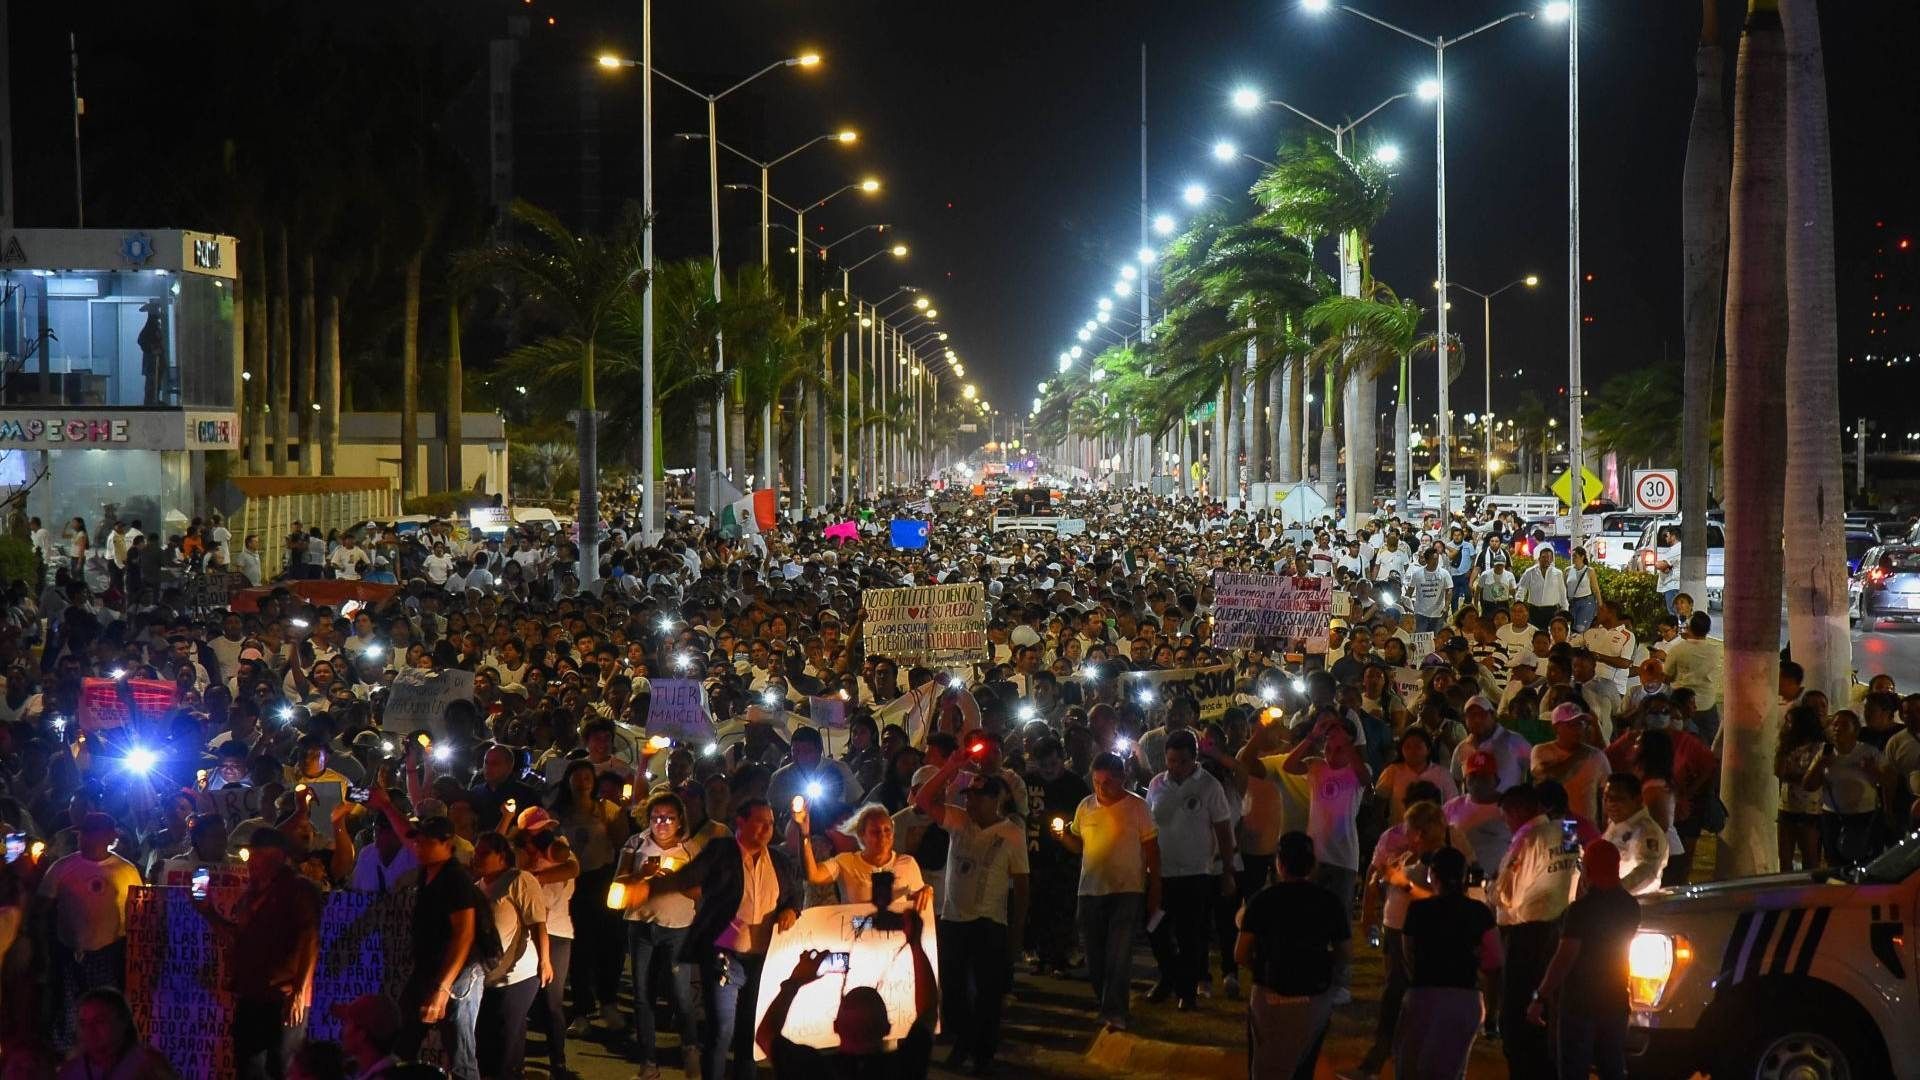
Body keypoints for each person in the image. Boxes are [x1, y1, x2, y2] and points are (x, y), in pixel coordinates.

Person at [620, 798, 804, 1080]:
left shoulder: (779, 861)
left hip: (762, 959)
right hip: (724, 956)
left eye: (770, 823)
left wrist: (791, 909)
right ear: (740, 822)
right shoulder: (723, 851)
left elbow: (794, 894)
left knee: (748, 1034)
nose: (767, 829)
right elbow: (688, 877)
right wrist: (651, 889)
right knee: (721, 1031)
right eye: (760, 822)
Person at [913, 747, 1031, 1074]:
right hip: (954, 919)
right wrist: (949, 766)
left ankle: (983, 1052)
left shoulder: (1011, 833)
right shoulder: (959, 821)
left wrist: (1017, 933)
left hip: (989, 922)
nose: (970, 804)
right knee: (952, 993)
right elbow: (923, 800)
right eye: (968, 797)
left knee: (988, 993)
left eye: (978, 798)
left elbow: (1022, 886)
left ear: (997, 801)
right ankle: (964, 1040)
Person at [192, 826, 323, 1080]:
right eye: (252, 857)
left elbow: (309, 940)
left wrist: (298, 991)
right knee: (248, 1067)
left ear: (278, 858)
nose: (253, 864)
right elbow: (237, 939)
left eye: (260, 858)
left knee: (282, 1068)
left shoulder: (298, 890)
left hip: (284, 996)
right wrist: (207, 911)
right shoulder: (250, 895)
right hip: (251, 993)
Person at [754, 910, 938, 1078]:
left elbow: (764, 1034)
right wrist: (915, 944)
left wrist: (794, 983)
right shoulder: (905, 1066)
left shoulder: (812, 1068)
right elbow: (928, 1010)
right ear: (887, 1028)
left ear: (835, 1026)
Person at [1053, 751, 1160, 1032]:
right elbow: (1079, 846)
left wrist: (1154, 888)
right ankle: (1106, 1002)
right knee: (1095, 953)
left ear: (1123, 778)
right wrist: (1063, 836)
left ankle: (1115, 1010)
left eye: (1109, 782)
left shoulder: (1137, 808)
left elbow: (1151, 851)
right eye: (1097, 782)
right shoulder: (1085, 807)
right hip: (1090, 890)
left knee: (1119, 953)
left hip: (1127, 890)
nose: (1102, 788)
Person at [1236, 832, 1349, 1080]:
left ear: (1280, 863)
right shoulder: (1329, 901)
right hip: (1314, 996)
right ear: (1311, 864)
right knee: (1303, 1067)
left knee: (1264, 1066)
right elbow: (1344, 952)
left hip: (1270, 995)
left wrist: (1260, 967)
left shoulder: (1263, 900)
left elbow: (1240, 953)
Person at [1528, 841, 1640, 1080]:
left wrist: (1541, 995)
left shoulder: (1581, 910)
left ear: (1587, 870)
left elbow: (1565, 957)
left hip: (1580, 1003)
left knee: (1573, 1070)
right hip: (1615, 998)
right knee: (1612, 1067)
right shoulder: (1630, 906)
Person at [388, 809, 486, 1080]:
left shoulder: (455, 879)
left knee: (460, 1052)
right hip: (431, 967)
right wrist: (386, 807)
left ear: (447, 844)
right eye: (419, 841)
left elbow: (464, 935)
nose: (420, 846)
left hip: (459, 974)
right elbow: (406, 836)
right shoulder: (429, 871)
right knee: (408, 1035)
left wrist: (443, 989)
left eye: (428, 842)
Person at [1141, 729, 1234, 1012]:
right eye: (1170, 761)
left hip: (1196, 872)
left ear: (1194, 758)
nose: (1176, 767)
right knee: (1155, 929)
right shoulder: (1157, 785)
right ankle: (1168, 976)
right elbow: (1147, 827)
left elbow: (1223, 829)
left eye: (1182, 761)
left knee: (1190, 935)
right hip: (1161, 872)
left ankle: (1187, 991)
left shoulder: (1209, 786)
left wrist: (1227, 870)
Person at [1493, 784, 1580, 1080]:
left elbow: (1508, 893)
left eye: (1506, 816)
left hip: (1525, 933)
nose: (1506, 823)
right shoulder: (1568, 830)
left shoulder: (1527, 838)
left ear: (1517, 811)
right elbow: (1575, 874)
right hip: (1560, 925)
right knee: (1548, 1005)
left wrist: (1491, 892)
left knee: (1517, 1013)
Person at [38, 811, 144, 1048]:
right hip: (68, 952)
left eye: (90, 833)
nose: (83, 838)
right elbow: (42, 908)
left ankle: (106, 1051)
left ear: (109, 837)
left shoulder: (126, 871)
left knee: (105, 1009)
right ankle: (69, 1055)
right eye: (82, 833)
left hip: (109, 953)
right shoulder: (63, 867)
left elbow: (139, 914)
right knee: (69, 1009)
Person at [1395, 847, 1501, 1080]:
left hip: (1424, 994)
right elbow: (1494, 962)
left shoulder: (1419, 910)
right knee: (1451, 1069)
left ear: (1432, 875)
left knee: (1410, 1066)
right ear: (1464, 876)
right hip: (1465, 998)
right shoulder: (1479, 912)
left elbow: (1408, 952)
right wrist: (1491, 1013)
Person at [615, 793, 701, 1078]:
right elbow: (619, 882)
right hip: (641, 925)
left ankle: (690, 1047)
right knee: (642, 994)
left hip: (678, 927)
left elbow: (700, 892)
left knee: (680, 994)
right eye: (656, 818)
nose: (662, 823)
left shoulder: (690, 849)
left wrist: (675, 880)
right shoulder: (636, 843)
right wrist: (641, 876)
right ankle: (648, 1061)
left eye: (669, 818)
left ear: (680, 821)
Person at [473, 832, 550, 1079]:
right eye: (477, 852)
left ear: (502, 856)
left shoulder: (519, 880)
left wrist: (545, 961)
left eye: (485, 853)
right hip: (487, 975)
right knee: (497, 1039)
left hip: (518, 974)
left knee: (505, 1037)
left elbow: (537, 923)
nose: (478, 857)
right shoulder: (477, 888)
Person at [56, 988, 177, 1080]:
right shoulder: (70, 1071)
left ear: (122, 1022)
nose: (89, 1029)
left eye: (99, 1021)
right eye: (83, 1023)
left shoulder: (148, 1064)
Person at [1600, 773, 1669, 896]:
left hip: (1636, 903)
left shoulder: (1648, 831)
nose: (1610, 803)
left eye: (1618, 798)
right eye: (1607, 797)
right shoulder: (1614, 824)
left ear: (1637, 800)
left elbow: (1647, 871)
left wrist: (1614, 891)